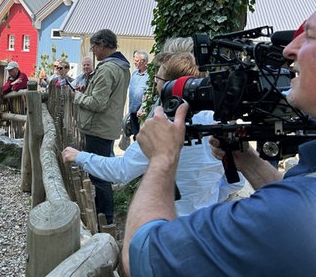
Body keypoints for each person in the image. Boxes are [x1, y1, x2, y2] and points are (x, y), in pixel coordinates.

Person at [123, 15, 316, 276]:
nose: (288, 50)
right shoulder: (302, 189)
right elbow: (296, 189)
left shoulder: (288, 213)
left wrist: (161, 160)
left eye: (311, 36)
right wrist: (247, 161)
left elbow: (142, 256)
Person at [62, 52, 244, 217]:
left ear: (170, 86)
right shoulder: (219, 123)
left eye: (157, 78)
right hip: (206, 224)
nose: (156, 83)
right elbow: (236, 181)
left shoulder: (162, 127)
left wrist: (79, 156)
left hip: (167, 226)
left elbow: (121, 171)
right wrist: (206, 201)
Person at [73, 29, 130, 226]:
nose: (93, 52)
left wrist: (77, 97)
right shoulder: (121, 66)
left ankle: (105, 218)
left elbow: (98, 103)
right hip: (106, 126)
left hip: (98, 128)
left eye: (94, 47)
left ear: (102, 45)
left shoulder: (107, 69)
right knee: (101, 172)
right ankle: (104, 215)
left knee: (99, 175)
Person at [128, 50, 149, 139]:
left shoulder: (149, 76)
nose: (134, 63)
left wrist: (142, 108)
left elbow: (148, 93)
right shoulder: (134, 74)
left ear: (144, 62)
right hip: (132, 111)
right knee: (135, 136)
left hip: (142, 113)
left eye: (137, 61)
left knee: (142, 137)